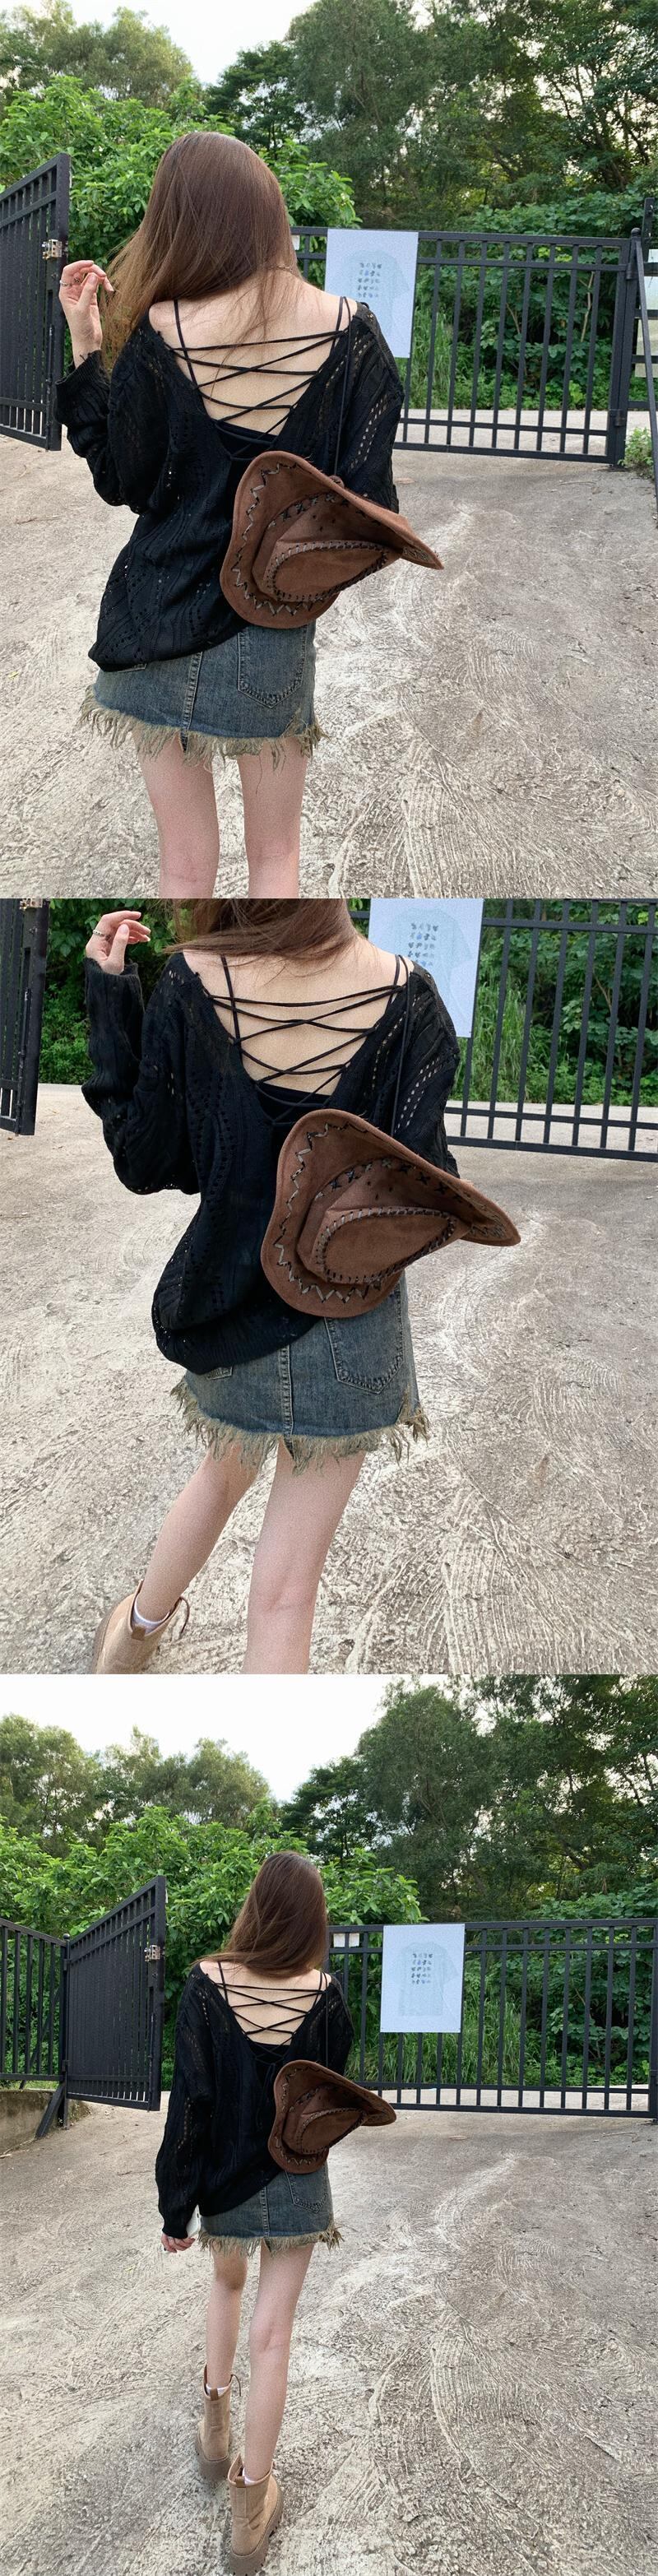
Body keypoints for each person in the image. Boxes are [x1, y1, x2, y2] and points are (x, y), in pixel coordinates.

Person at [81, 896, 460, 1674]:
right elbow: (425, 1192)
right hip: (353, 1323)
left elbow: (147, 1160)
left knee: (221, 1475)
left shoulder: (191, 979)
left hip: (226, 1306)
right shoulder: (411, 995)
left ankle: (133, 1637)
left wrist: (111, 996)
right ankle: (140, 1631)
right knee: (287, 1593)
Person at [55, 131, 405, 898]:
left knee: (183, 862)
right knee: (276, 857)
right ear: (269, 217)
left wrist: (87, 344)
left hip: (151, 621)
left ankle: (193, 973)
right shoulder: (352, 332)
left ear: (177, 220)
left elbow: (120, 481)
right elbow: (370, 511)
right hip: (271, 633)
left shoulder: (160, 330)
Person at [155, 1851, 354, 2573]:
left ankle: (215, 2428)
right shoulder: (327, 1994)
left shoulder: (206, 1983)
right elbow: (329, 2087)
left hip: (227, 2185)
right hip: (300, 2183)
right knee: (274, 2335)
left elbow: (192, 2105)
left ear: (257, 1905)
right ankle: (250, 2510)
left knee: (226, 2282)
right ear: (312, 1918)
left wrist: (176, 2206)